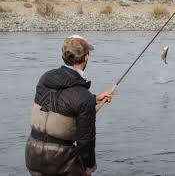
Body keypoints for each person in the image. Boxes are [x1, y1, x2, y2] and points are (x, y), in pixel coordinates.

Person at [25, 35, 112, 176]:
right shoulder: (83, 97)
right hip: (60, 160)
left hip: (32, 153)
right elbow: (85, 142)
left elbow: (58, 101)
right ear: (86, 57)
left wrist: (94, 99)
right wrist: (89, 166)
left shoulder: (46, 78)